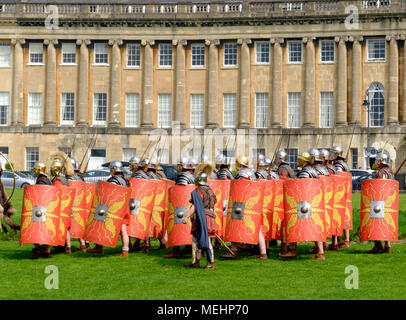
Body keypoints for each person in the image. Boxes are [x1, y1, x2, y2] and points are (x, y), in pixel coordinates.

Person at [220, 156, 268, 260]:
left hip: (240, 205)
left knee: (235, 225)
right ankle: (263, 253)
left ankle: (233, 250)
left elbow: (239, 190)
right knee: (257, 227)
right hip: (252, 204)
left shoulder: (241, 174)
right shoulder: (252, 174)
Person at [280, 152, 326, 260]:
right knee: (315, 227)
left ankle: (292, 250)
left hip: (303, 204)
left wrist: (289, 181)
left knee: (292, 223)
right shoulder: (314, 171)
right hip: (312, 204)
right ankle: (321, 253)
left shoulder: (306, 171)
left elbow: (302, 186)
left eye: (299, 160)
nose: (297, 162)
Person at [87, 161, 130, 257]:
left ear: (112, 169)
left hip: (113, 208)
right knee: (123, 230)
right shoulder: (125, 181)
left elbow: (110, 195)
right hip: (123, 207)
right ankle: (125, 250)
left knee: (100, 224)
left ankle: (99, 247)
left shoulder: (113, 180)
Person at [183, 172, 217, 269]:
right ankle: (196, 262)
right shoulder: (211, 191)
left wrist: (187, 216)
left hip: (201, 217)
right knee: (196, 239)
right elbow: (212, 207)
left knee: (205, 240)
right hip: (210, 217)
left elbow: (195, 206)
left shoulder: (198, 192)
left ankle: (210, 264)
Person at [164, 157, 195, 259]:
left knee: (177, 227)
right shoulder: (193, 176)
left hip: (181, 207)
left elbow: (180, 192)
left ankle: (176, 250)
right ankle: (188, 247)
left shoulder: (183, 176)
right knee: (188, 228)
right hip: (191, 206)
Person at [367, 152, 394, 254]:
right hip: (389, 201)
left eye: (377, 160)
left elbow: (378, 188)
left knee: (377, 223)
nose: (375, 162)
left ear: (381, 161)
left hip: (379, 201)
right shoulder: (390, 172)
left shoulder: (380, 172)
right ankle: (387, 246)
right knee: (386, 223)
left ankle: (378, 245)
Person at [30, 162, 53, 259]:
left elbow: (40, 195)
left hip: (40, 209)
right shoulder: (47, 180)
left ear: (39, 170)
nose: (33, 171)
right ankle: (47, 251)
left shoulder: (41, 181)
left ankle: (38, 249)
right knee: (44, 230)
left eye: (35, 169)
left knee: (34, 229)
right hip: (46, 209)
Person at [330, 146, 351, 249]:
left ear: (336, 154)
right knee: (345, 217)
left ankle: (339, 240)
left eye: (332, 153)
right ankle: (345, 240)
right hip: (345, 194)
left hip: (339, 194)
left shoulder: (338, 165)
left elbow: (337, 179)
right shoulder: (344, 164)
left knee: (338, 217)